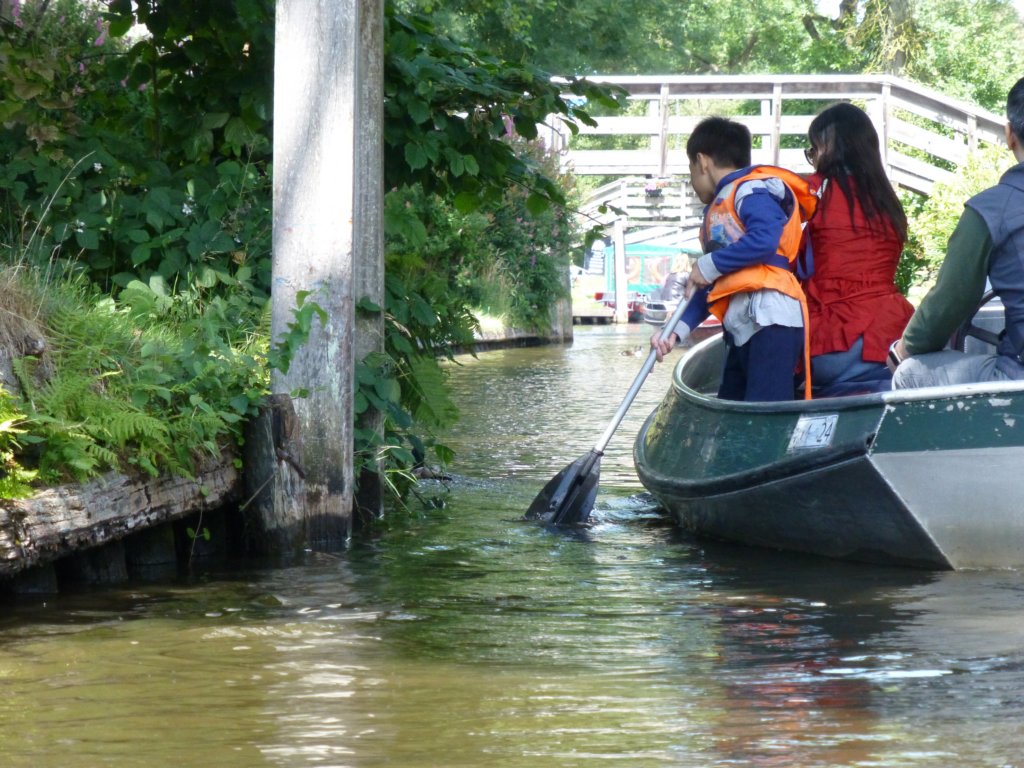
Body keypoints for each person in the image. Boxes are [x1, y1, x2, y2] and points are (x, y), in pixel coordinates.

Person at [650, 116, 816, 401]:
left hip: (771, 321)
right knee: (731, 406)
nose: (692, 183)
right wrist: (673, 332)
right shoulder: (720, 207)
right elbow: (711, 284)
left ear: (702, 162)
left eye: (690, 170)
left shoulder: (751, 190)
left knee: (762, 417)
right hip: (742, 325)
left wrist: (708, 264)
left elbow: (765, 240)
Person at [889, 76, 1024, 388]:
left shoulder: (991, 210)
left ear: (1009, 135)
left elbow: (950, 302)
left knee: (908, 374)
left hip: (1018, 380)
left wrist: (902, 350)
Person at [801, 102, 915, 396]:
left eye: (813, 150)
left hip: (832, 348)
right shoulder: (888, 202)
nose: (812, 160)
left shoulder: (814, 193)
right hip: (895, 341)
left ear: (829, 148)